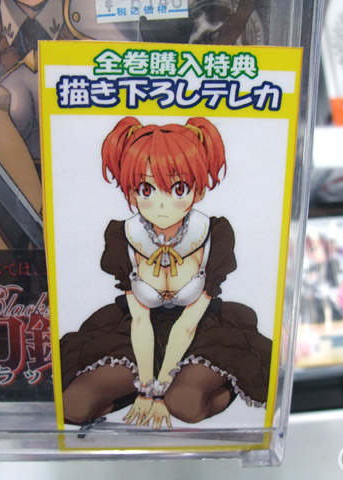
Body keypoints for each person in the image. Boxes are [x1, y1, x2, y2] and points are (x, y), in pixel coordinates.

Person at [60, 117, 272, 429]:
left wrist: (159, 396)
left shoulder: (213, 235)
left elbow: (187, 324)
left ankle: (228, 385)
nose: (162, 204)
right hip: (135, 333)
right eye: (146, 188)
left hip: (201, 332)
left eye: (178, 188)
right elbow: (140, 321)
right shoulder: (125, 237)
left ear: (198, 190)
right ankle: (129, 396)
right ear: (130, 191)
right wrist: (146, 389)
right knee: (74, 406)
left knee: (184, 404)